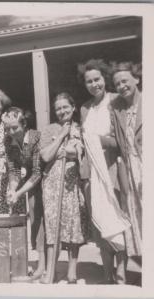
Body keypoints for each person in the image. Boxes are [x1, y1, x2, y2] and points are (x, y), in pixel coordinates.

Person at [78, 59, 130, 284]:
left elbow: (121, 141)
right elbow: (83, 141)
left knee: (118, 219)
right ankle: (107, 271)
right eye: (89, 81)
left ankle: (122, 271)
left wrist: (95, 139)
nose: (93, 84)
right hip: (93, 174)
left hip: (113, 168)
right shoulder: (84, 108)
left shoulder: (115, 101)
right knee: (100, 223)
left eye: (97, 79)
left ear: (104, 79)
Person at [40, 92, 88, 284]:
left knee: (73, 224)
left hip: (71, 182)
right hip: (51, 183)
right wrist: (61, 136)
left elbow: (79, 152)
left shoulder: (81, 129)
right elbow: (44, 156)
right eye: (58, 108)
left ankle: (72, 272)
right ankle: (51, 270)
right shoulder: (49, 129)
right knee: (53, 226)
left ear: (73, 107)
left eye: (65, 107)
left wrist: (60, 150)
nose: (62, 111)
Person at [1, 107, 45, 281]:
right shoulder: (8, 140)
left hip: (46, 179)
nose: (11, 132)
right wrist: (12, 190)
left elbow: (37, 172)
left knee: (40, 221)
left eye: (15, 128)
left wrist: (18, 192)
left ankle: (42, 266)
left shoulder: (36, 137)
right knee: (33, 220)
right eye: (8, 129)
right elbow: (14, 170)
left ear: (24, 124)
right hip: (30, 182)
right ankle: (39, 264)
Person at [104, 62, 142, 264]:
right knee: (137, 216)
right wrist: (95, 138)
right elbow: (115, 140)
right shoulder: (117, 108)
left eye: (125, 81)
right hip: (130, 168)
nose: (121, 86)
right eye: (117, 83)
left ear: (137, 79)